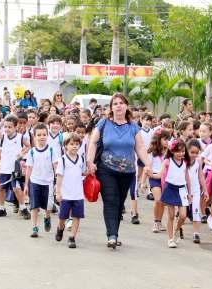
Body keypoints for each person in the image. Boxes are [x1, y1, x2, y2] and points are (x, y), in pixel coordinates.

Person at [86, 93, 151, 249]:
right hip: (106, 169)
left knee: (119, 202)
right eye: (115, 103)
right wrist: (89, 161)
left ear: (126, 106)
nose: (118, 106)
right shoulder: (103, 123)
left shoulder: (133, 126)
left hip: (127, 172)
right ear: (111, 107)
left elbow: (140, 147)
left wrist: (147, 164)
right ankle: (112, 235)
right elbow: (93, 142)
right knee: (110, 200)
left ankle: (114, 233)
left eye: (121, 103)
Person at [0, 115, 30, 219]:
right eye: (5, 126)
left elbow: (29, 146)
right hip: (4, 168)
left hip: (15, 169)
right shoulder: (2, 138)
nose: (7, 129)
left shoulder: (20, 137)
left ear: (15, 127)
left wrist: (22, 153)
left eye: (10, 127)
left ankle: (23, 208)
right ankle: (1, 208)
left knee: (16, 189)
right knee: (1, 189)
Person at [24, 123, 59, 238]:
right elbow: (29, 168)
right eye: (39, 135)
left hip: (48, 182)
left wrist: (57, 183)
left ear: (47, 135)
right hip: (35, 182)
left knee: (48, 206)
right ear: (34, 136)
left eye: (44, 134)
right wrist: (26, 185)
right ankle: (34, 227)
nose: (42, 137)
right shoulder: (32, 152)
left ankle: (47, 217)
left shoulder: (51, 150)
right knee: (34, 206)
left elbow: (55, 166)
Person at [156, 139, 191, 248]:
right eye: (178, 151)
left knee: (183, 215)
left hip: (181, 190)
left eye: (183, 151)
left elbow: (187, 179)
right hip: (170, 188)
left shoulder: (185, 163)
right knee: (171, 216)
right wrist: (149, 174)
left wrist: (189, 193)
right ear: (172, 151)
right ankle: (170, 239)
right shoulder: (167, 161)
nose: (181, 153)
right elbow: (159, 175)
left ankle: (176, 229)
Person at [55, 133, 86, 249]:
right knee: (62, 217)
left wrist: (91, 171)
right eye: (71, 144)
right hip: (66, 194)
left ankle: (72, 237)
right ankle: (60, 228)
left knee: (77, 216)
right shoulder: (62, 160)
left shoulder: (81, 159)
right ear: (66, 146)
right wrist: (58, 192)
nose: (74, 146)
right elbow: (59, 177)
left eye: (77, 144)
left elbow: (83, 173)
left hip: (78, 194)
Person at [142, 129, 170, 233]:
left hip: (166, 179)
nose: (167, 141)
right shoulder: (151, 152)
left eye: (168, 139)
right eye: (165, 139)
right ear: (158, 139)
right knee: (158, 200)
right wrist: (143, 182)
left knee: (162, 202)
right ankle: (155, 222)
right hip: (154, 178)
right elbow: (147, 167)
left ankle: (159, 222)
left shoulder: (170, 151)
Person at [186, 139, 208, 244]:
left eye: (197, 152)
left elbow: (201, 176)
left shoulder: (198, 161)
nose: (194, 155)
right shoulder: (183, 161)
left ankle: (196, 233)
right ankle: (177, 229)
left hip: (195, 190)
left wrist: (205, 190)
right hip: (183, 190)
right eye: (192, 152)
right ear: (187, 150)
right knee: (182, 213)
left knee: (196, 211)